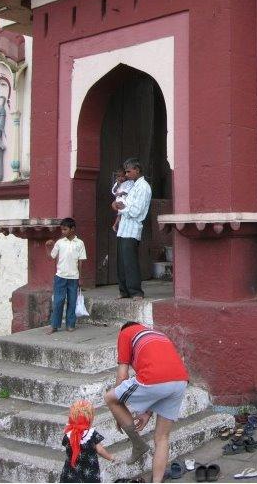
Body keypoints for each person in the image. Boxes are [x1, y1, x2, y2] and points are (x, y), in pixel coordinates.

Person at [104, 322, 189, 483]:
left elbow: (123, 376)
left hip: (156, 379)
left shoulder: (125, 333)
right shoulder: (158, 335)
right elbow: (160, 381)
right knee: (162, 438)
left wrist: (118, 411)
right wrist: (147, 413)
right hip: (180, 380)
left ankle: (138, 445)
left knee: (110, 398)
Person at [112, 158, 151, 299]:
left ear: (137, 170)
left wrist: (121, 207)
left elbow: (137, 211)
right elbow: (124, 204)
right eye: (126, 171)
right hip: (124, 228)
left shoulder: (144, 187)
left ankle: (136, 292)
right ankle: (124, 291)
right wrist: (118, 206)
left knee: (130, 261)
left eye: (129, 171)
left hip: (133, 228)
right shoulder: (132, 186)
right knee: (121, 262)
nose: (126, 174)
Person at [45, 217, 87, 334]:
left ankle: (70, 324)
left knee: (72, 301)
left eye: (65, 229)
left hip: (74, 278)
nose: (63, 232)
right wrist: (47, 247)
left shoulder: (80, 243)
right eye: (62, 230)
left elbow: (80, 261)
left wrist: (80, 278)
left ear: (72, 229)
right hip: (60, 277)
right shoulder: (59, 243)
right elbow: (51, 257)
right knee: (58, 301)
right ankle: (54, 325)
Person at [59, 399, 117, 483]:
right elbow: (100, 450)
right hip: (90, 471)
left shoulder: (68, 434)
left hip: (70, 471)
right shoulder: (92, 434)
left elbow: (65, 444)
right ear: (90, 419)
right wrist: (111, 457)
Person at [111, 167, 134, 234]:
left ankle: (116, 225)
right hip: (118, 200)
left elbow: (127, 191)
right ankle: (116, 225)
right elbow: (113, 191)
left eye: (122, 176)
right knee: (119, 214)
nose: (120, 178)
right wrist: (117, 185)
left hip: (125, 200)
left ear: (126, 176)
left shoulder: (129, 182)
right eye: (118, 176)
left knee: (120, 214)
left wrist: (120, 193)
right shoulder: (117, 183)